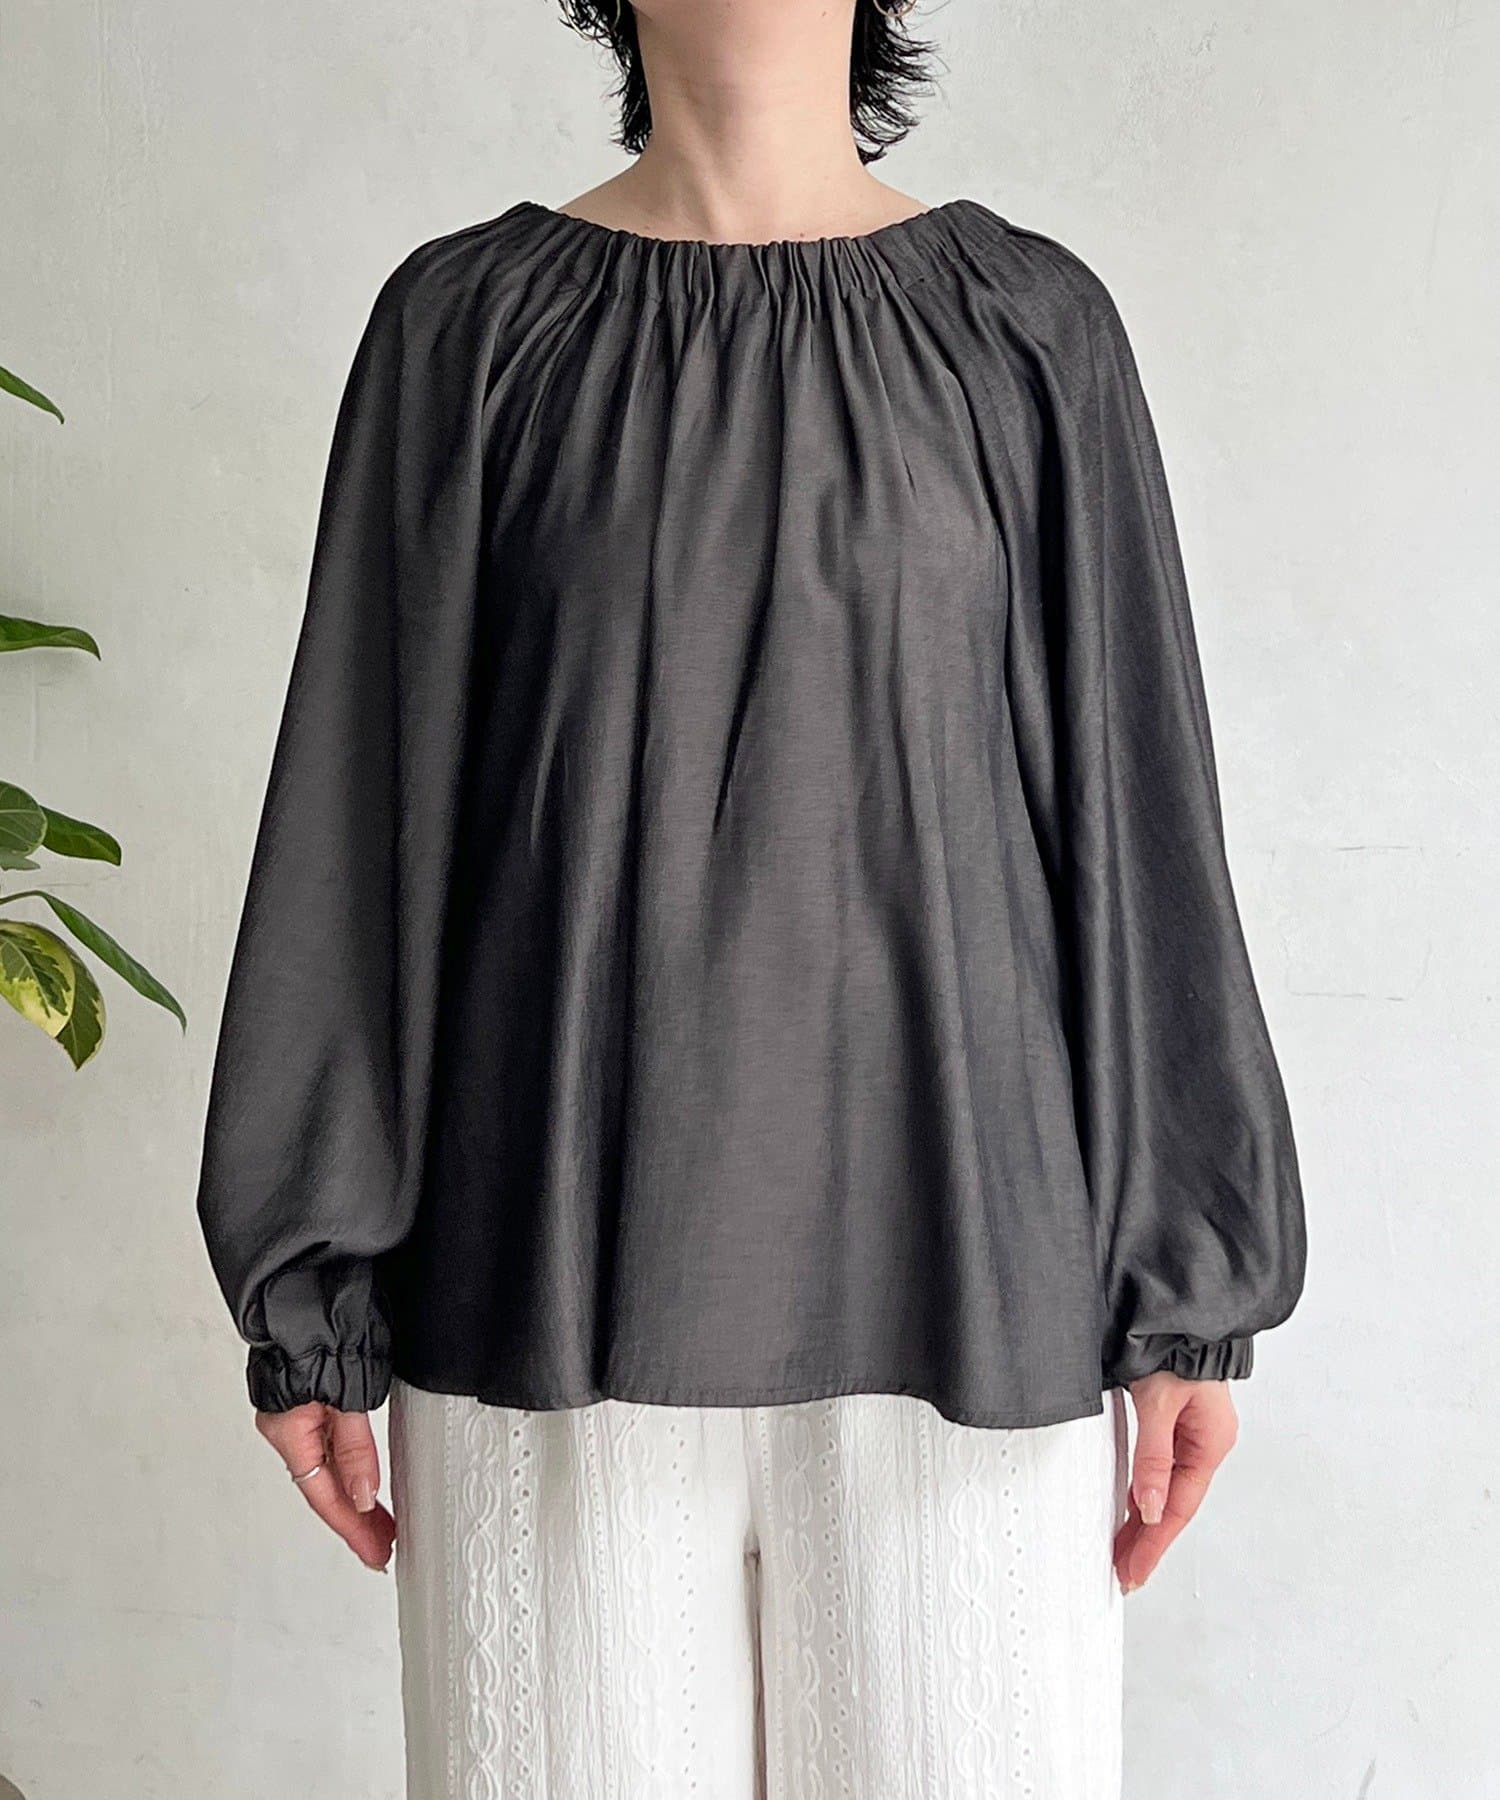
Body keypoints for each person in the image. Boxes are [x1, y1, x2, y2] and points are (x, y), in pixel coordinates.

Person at [195, 2, 1306, 1794]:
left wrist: (1189, 1288)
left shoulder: (1027, 328)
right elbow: (360, 814)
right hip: (549, 1297)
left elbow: (1137, 814)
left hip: (972, 1296)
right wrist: (308, 1293)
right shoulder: (468, 329)